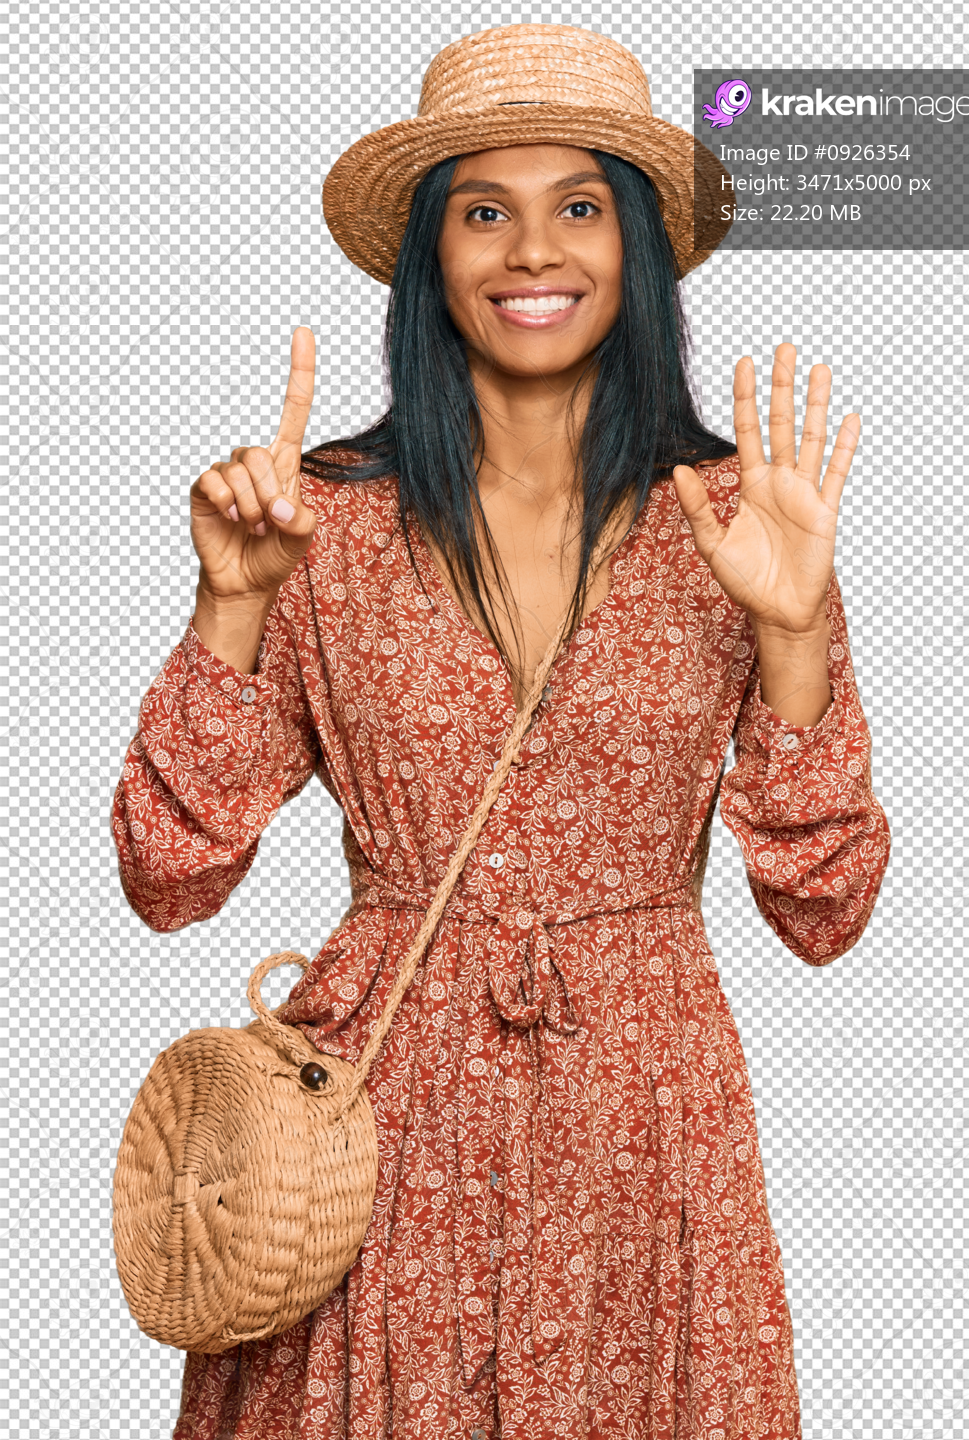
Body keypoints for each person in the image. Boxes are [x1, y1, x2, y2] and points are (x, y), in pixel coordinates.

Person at [112, 23, 890, 1440]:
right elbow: (170, 876)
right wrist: (230, 606)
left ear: (637, 246)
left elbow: (825, 912)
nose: (533, 252)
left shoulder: (741, 522)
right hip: (379, 1122)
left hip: (645, 1122)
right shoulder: (321, 523)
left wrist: (793, 631)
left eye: (578, 206)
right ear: (432, 254)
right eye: (485, 210)